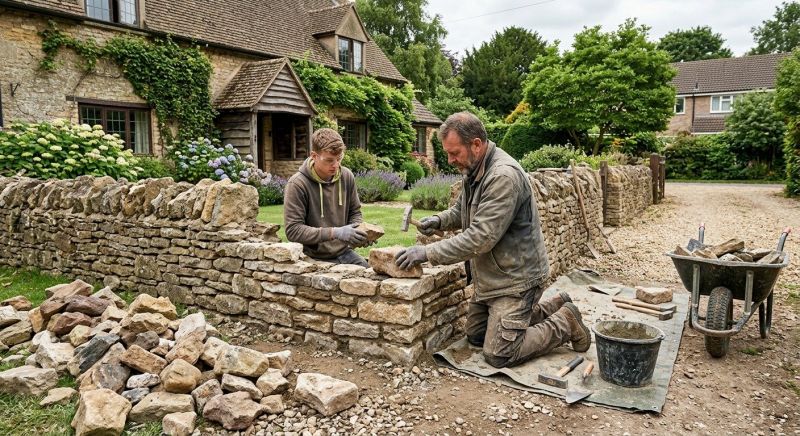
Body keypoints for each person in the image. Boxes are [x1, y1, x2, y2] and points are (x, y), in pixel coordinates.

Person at [394, 112, 591, 368]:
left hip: (517, 278)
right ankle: (554, 305)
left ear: (476, 144)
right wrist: (439, 220)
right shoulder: (475, 169)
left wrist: (426, 253)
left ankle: (565, 321)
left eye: (454, 153)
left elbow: (480, 238)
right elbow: (461, 210)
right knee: (476, 335)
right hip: (493, 277)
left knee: (499, 353)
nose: (450, 160)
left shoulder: (502, 177)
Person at [284, 128, 369, 266]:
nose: (336, 165)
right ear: (314, 156)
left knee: (369, 278)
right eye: (329, 160)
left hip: (343, 252)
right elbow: (293, 230)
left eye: (339, 158)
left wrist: (359, 232)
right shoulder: (298, 184)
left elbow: (355, 212)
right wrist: (334, 233)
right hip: (311, 257)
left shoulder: (346, 176)